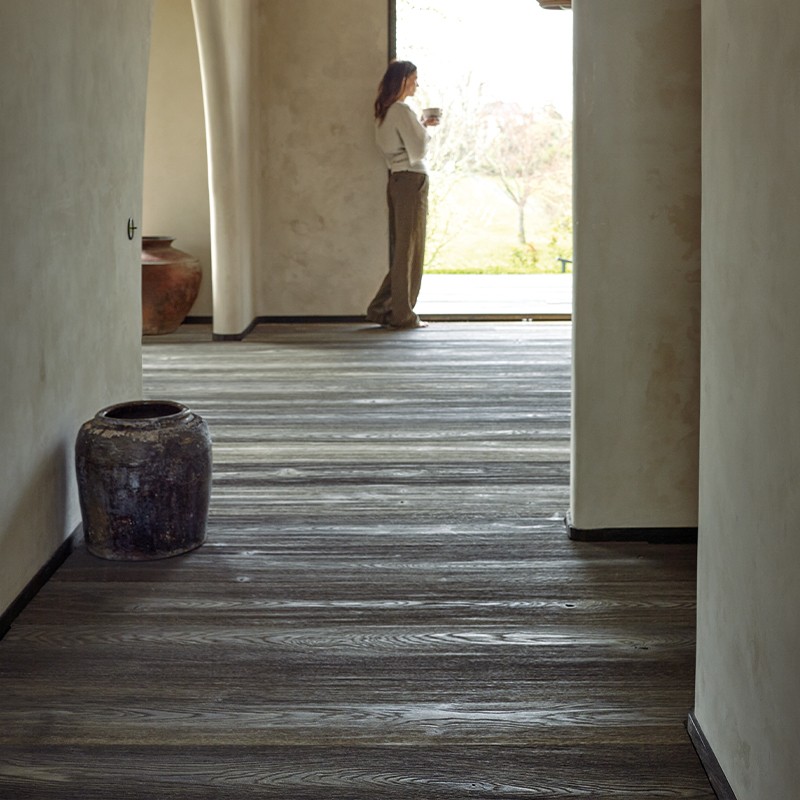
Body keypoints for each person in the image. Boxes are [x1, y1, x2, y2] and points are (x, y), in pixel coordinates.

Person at [366, 60, 439, 329]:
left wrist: (419, 125)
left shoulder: (385, 111)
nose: (417, 85)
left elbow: (399, 145)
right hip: (412, 180)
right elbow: (418, 149)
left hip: (397, 180)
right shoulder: (401, 110)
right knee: (410, 250)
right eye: (414, 79)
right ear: (404, 81)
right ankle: (403, 315)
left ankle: (380, 308)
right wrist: (424, 129)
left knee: (402, 249)